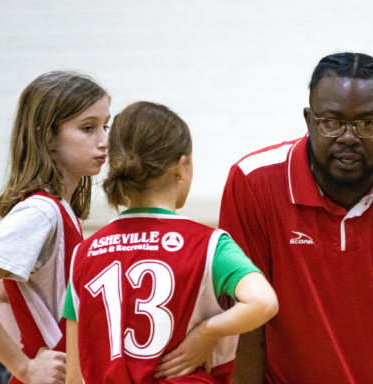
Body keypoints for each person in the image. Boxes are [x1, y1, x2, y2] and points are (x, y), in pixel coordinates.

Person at [219, 52, 373, 383]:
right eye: (331, 122)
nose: (348, 137)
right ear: (309, 119)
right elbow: (246, 327)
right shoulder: (254, 183)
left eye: (366, 124)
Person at [61, 101, 278, 384]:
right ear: (180, 167)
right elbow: (264, 302)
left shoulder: (85, 253)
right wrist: (207, 332)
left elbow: (75, 375)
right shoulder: (210, 244)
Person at [0, 71, 111, 384]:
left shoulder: (61, 210)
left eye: (106, 126)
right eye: (88, 128)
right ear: (47, 137)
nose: (103, 140)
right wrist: (25, 366)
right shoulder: (40, 212)